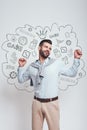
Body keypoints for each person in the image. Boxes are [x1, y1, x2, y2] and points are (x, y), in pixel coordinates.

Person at [17, 39, 82, 130]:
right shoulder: (32, 66)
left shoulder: (56, 64)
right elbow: (21, 80)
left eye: (50, 48)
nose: (48, 49)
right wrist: (20, 67)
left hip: (51, 103)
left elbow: (71, 73)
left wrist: (76, 59)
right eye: (46, 47)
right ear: (39, 48)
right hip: (36, 103)